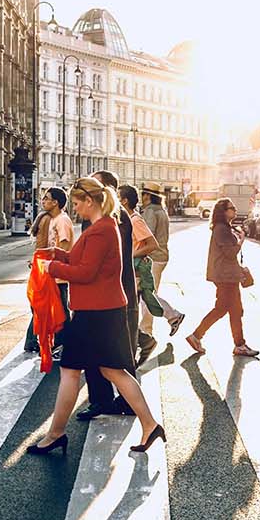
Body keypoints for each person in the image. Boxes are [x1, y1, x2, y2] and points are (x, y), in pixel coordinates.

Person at [27, 176, 164, 455]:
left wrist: (53, 268)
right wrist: (56, 254)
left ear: (90, 201)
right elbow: (83, 261)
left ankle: (55, 433)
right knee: (111, 369)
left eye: (77, 203)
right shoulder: (103, 226)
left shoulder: (102, 229)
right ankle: (150, 425)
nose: (75, 208)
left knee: (70, 370)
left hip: (96, 312)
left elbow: (86, 273)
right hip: (102, 310)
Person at [75, 169, 141, 421]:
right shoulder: (94, 216)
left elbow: (97, 260)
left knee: (120, 352)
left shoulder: (115, 217)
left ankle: (126, 401)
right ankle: (101, 400)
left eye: (93, 186)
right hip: (99, 294)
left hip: (114, 293)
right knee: (95, 352)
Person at [186, 198, 257, 357]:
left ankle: (239, 344)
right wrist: (241, 241)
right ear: (223, 212)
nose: (235, 210)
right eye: (232, 208)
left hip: (228, 275)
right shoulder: (221, 229)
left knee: (235, 310)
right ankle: (196, 336)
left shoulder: (225, 228)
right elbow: (230, 253)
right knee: (222, 309)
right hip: (225, 276)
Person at [24, 186, 75, 354]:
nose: (43, 201)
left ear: (56, 202)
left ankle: (64, 344)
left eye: (46, 198)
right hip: (50, 272)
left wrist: (52, 266)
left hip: (58, 274)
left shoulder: (62, 220)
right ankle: (55, 343)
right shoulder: (51, 219)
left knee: (60, 310)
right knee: (48, 308)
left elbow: (64, 247)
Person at [119, 184, 163, 364]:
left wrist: (129, 254)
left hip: (134, 273)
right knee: (125, 315)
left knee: (126, 314)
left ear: (124, 201)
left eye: (117, 196)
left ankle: (144, 342)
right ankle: (144, 342)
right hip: (128, 271)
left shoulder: (135, 220)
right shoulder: (125, 218)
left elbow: (152, 244)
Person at [138, 182, 186, 336]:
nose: (141, 196)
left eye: (142, 194)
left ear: (147, 195)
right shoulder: (161, 210)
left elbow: (147, 235)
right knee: (149, 293)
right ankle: (148, 328)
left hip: (153, 257)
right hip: (161, 256)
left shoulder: (151, 211)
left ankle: (159, 323)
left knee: (148, 294)